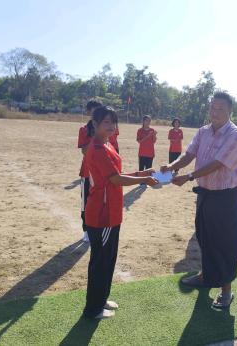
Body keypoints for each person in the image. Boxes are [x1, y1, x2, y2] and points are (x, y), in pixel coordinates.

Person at [161, 92, 237, 309]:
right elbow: (189, 154)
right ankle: (205, 276)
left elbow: (217, 164)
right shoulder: (203, 131)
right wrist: (171, 166)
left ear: (230, 111)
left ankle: (226, 290)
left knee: (224, 243)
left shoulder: (236, 136)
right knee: (204, 237)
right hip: (205, 194)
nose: (215, 112)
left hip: (224, 198)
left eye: (220, 108)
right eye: (212, 108)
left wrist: (189, 176)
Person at [83, 106, 158, 319]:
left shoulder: (107, 145)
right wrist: (145, 179)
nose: (111, 126)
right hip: (102, 215)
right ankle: (93, 309)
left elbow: (116, 173)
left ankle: (101, 299)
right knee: (100, 263)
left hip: (111, 212)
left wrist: (141, 173)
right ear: (95, 124)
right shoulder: (97, 148)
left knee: (108, 260)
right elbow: (115, 179)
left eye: (113, 122)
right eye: (106, 122)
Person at [78, 100, 103, 242]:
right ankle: (86, 230)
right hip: (87, 172)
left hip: (102, 172)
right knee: (86, 203)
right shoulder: (84, 129)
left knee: (101, 202)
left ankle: (98, 228)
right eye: (94, 110)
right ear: (89, 112)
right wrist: (95, 136)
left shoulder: (106, 128)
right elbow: (84, 151)